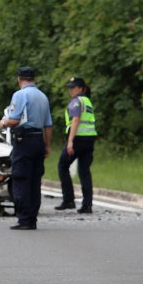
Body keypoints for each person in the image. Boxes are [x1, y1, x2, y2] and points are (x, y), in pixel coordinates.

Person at [0, 66, 52, 230]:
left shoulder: (20, 95)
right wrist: (47, 145)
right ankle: (32, 218)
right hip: (38, 141)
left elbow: (14, 120)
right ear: (33, 78)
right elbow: (48, 125)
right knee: (35, 180)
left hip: (24, 140)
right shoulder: (43, 97)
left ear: (19, 79)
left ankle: (24, 219)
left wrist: (4, 122)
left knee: (21, 178)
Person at [55, 76, 97, 213]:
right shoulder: (87, 101)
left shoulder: (76, 101)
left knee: (62, 166)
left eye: (73, 87)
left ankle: (68, 200)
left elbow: (76, 120)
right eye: (70, 87)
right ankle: (87, 205)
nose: (70, 90)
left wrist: (70, 141)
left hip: (78, 139)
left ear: (81, 88)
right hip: (89, 139)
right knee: (84, 171)